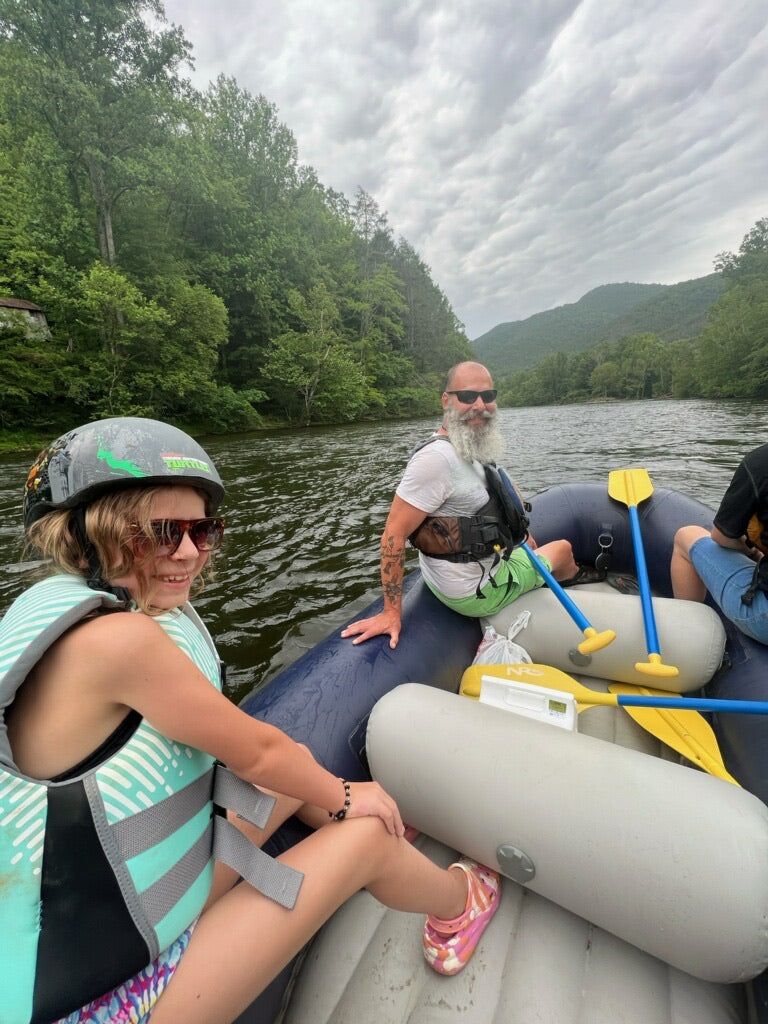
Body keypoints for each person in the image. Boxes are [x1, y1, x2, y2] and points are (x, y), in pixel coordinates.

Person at [0, 417, 502, 1024]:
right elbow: (258, 754)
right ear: (90, 535)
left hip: (100, 911)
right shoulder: (119, 644)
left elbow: (261, 759)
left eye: (201, 529)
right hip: (108, 997)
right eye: (160, 532)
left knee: (296, 778)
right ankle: (461, 901)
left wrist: (334, 795)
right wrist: (347, 797)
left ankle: (372, 820)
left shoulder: (50, 611)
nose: (188, 551)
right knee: (363, 837)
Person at [341, 361, 597, 649]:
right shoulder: (435, 461)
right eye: (467, 396)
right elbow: (393, 535)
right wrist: (390, 613)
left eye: (488, 396)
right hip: (477, 591)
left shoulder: (469, 446)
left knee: (536, 548)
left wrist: (523, 536)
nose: (480, 404)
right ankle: (576, 578)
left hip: (472, 571)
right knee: (562, 549)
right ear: (446, 400)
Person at [671, 442, 768, 643]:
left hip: (764, 618)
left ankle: (689, 640)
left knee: (685, 536)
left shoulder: (759, 462)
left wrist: (751, 552)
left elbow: (722, 537)